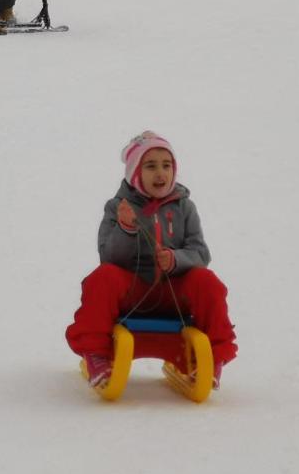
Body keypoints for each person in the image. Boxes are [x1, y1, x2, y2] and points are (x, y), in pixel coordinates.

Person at [65, 132, 237, 390]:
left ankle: (212, 358)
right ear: (135, 173)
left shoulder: (184, 208)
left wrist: (176, 259)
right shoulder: (117, 207)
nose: (161, 173)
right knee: (102, 279)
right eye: (151, 165)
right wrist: (126, 229)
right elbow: (109, 257)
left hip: (172, 292)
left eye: (166, 165)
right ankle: (97, 355)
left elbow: (200, 253)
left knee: (207, 281)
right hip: (134, 291)